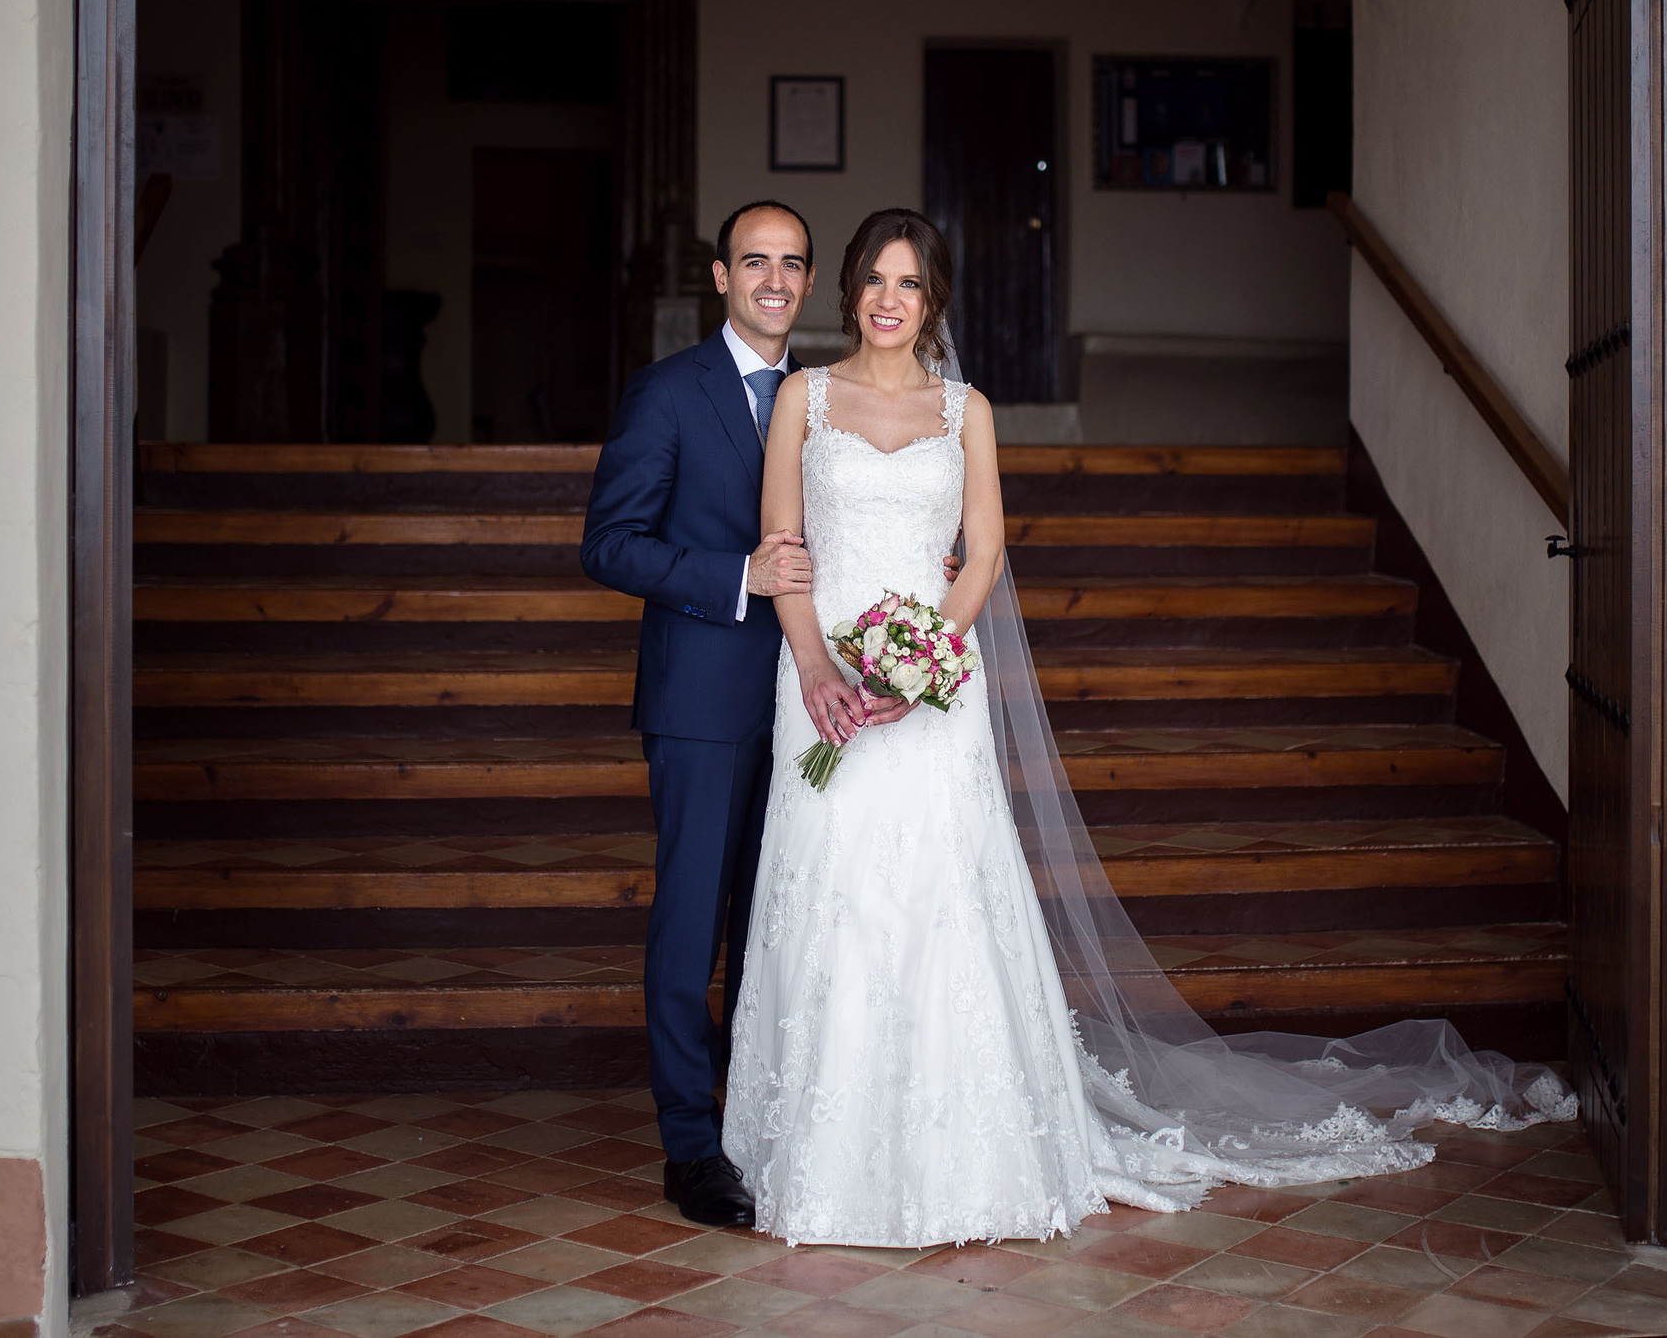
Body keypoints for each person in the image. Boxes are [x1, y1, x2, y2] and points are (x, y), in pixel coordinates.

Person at [722, 208, 1575, 1249]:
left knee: (940, 894)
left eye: (909, 282)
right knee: (830, 891)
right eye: (873, 279)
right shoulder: (803, 399)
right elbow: (783, 545)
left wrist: (926, 657)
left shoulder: (966, 410)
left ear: (933, 297)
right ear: (847, 289)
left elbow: (983, 554)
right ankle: (821, 1152)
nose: (888, 300)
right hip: (819, 672)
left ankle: (961, 1155)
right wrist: (819, 665)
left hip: (930, 681)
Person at [580, 201, 845, 1230]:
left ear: (808, 280)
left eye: (792, 263)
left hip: (807, 698)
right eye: (754, 262)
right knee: (693, 924)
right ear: (721, 276)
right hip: (700, 697)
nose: (774, 280)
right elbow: (610, 544)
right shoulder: (668, 392)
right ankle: (691, 1145)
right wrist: (737, 576)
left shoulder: (823, 397)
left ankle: (758, 1121)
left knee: (774, 921)